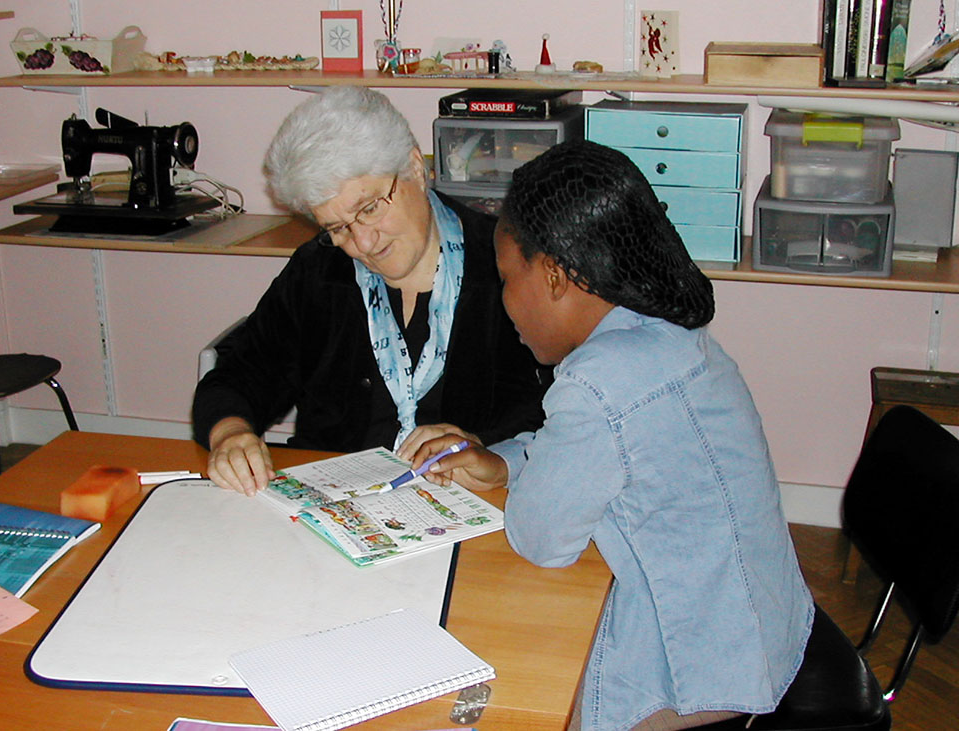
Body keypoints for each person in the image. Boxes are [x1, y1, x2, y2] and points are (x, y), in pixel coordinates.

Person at [414, 140, 815, 730]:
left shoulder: (599, 382)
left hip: (707, 669)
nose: (504, 302)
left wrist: (520, 479)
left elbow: (541, 538)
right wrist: (503, 465)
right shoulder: (664, 333)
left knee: (506, 682)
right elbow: (604, 455)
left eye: (505, 278)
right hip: (762, 623)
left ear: (553, 275)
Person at [192, 87, 547, 496]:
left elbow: (551, 410)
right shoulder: (321, 271)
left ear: (415, 168)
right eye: (337, 227)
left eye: (370, 208)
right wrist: (231, 433)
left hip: (469, 505)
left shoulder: (504, 267)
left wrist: (489, 450)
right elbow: (241, 373)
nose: (362, 242)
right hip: (332, 506)